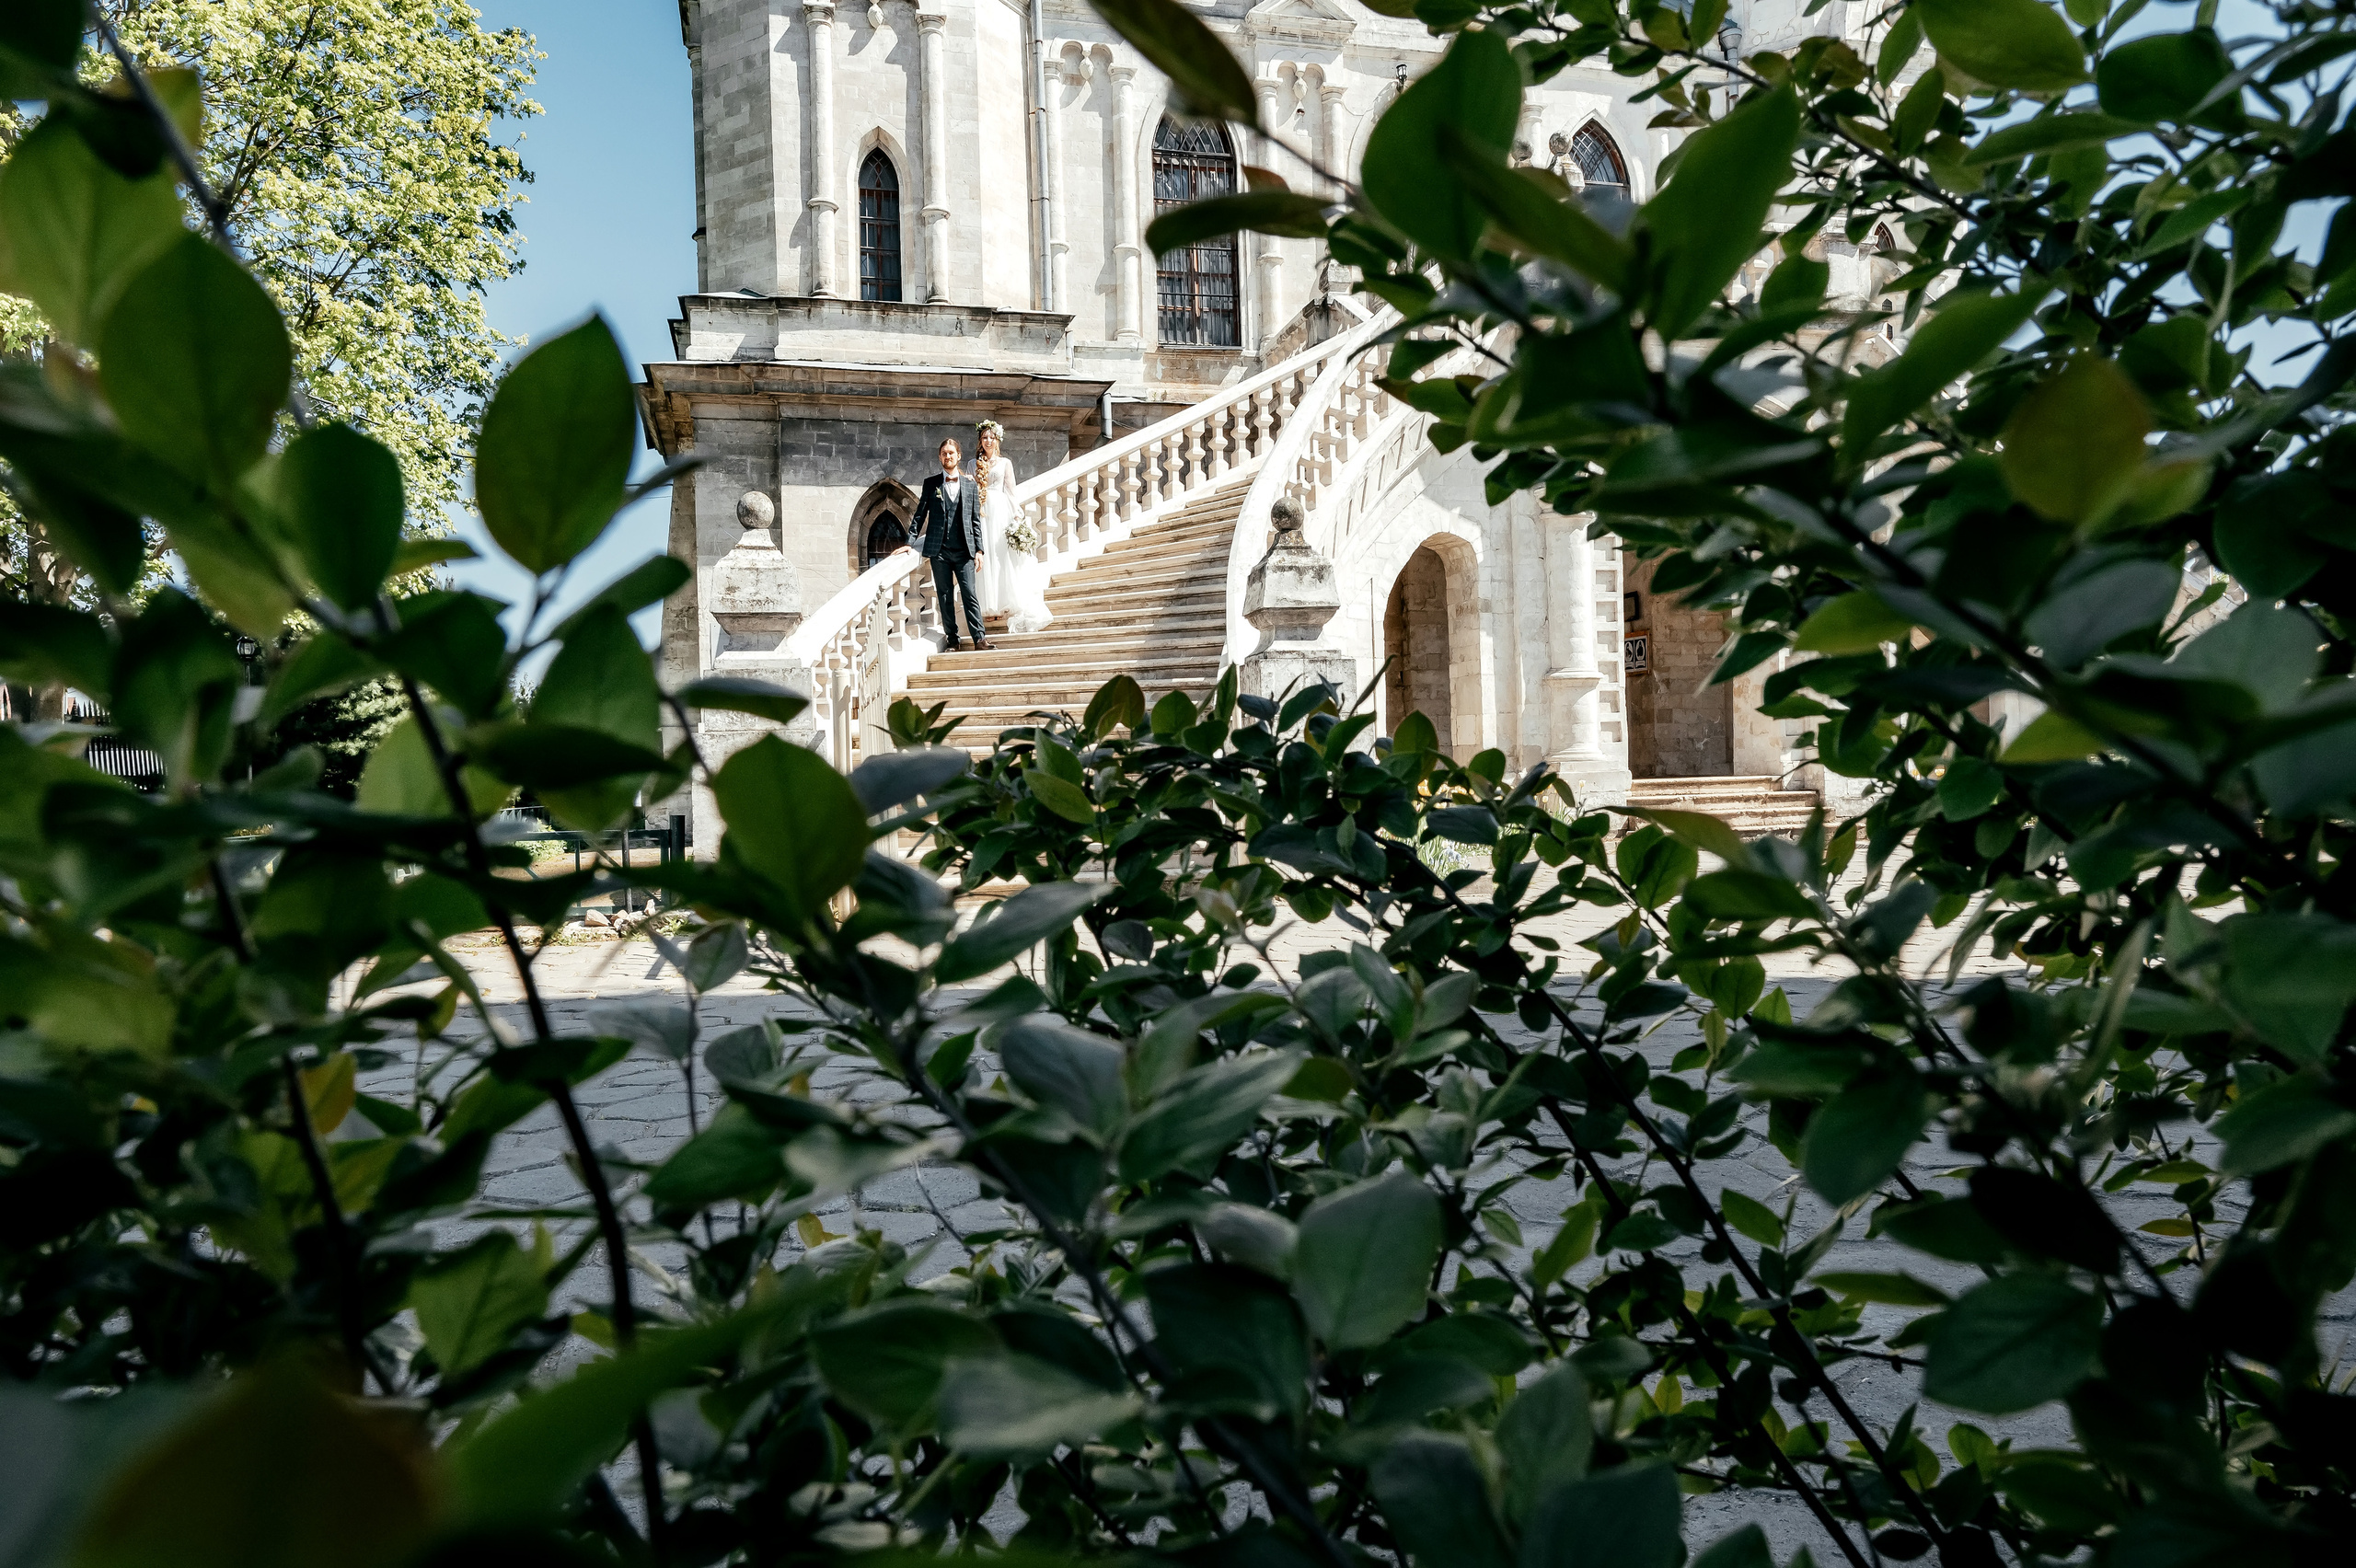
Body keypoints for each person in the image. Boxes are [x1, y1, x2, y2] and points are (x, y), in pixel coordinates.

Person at [904, 435, 987, 651]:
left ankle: (979, 638)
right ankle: (953, 639)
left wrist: (979, 549)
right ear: (940, 457)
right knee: (944, 595)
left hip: (964, 550)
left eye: (951, 453)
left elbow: (975, 520)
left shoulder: (970, 485)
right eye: (944, 453)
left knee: (969, 593)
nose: (947, 456)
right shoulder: (931, 484)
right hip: (939, 550)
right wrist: (909, 542)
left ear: (958, 456)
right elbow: (920, 514)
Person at [973, 420, 1053, 634]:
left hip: (1000, 511)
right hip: (981, 512)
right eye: (984, 437)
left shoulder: (1005, 463)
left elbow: (1010, 490)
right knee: (986, 556)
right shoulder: (974, 464)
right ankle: (988, 606)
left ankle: (1004, 603)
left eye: (991, 437)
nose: (988, 440)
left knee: (1001, 556)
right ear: (980, 441)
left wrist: (1017, 516)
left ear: (997, 439)